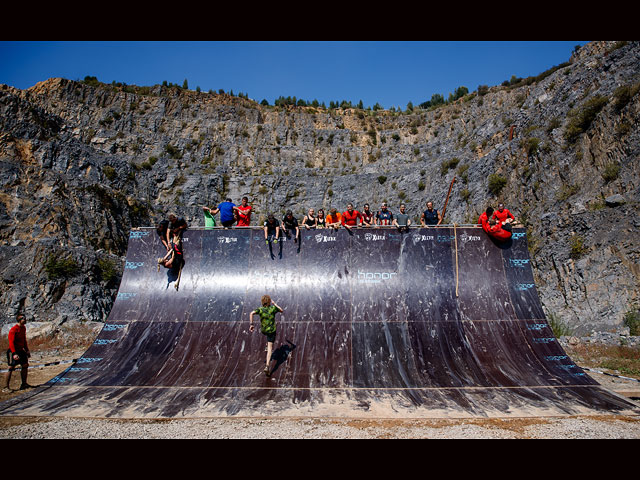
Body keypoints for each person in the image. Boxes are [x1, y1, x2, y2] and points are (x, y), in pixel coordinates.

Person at [249, 295, 283, 376]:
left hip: (264, 330)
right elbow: (281, 310)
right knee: (270, 348)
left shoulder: (260, 310)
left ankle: (267, 345)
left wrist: (251, 324)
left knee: (267, 338)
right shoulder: (272, 309)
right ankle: (267, 365)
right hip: (271, 331)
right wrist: (274, 304)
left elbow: (251, 313)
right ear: (269, 301)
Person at [3, 314, 32, 392]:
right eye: (24, 319)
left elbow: (24, 340)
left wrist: (27, 350)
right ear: (20, 320)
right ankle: (6, 387)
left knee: (25, 365)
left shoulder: (23, 328)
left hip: (21, 350)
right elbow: (11, 342)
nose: (25, 320)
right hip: (13, 350)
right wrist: (14, 353)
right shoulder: (14, 329)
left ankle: (24, 384)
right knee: (10, 367)